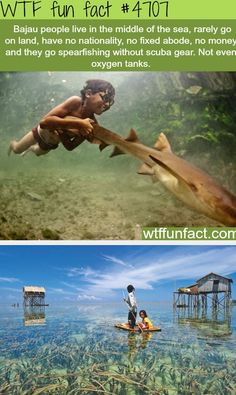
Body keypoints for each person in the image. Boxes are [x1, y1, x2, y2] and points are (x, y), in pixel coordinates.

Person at [8, 79, 115, 156]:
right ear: (88, 93)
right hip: (39, 133)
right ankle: (12, 143)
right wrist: (80, 123)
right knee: (17, 149)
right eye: (105, 98)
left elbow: (70, 147)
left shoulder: (92, 124)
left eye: (111, 102)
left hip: (50, 144)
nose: (107, 104)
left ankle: (30, 149)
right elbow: (44, 122)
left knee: (37, 152)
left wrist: (62, 132)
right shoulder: (75, 102)